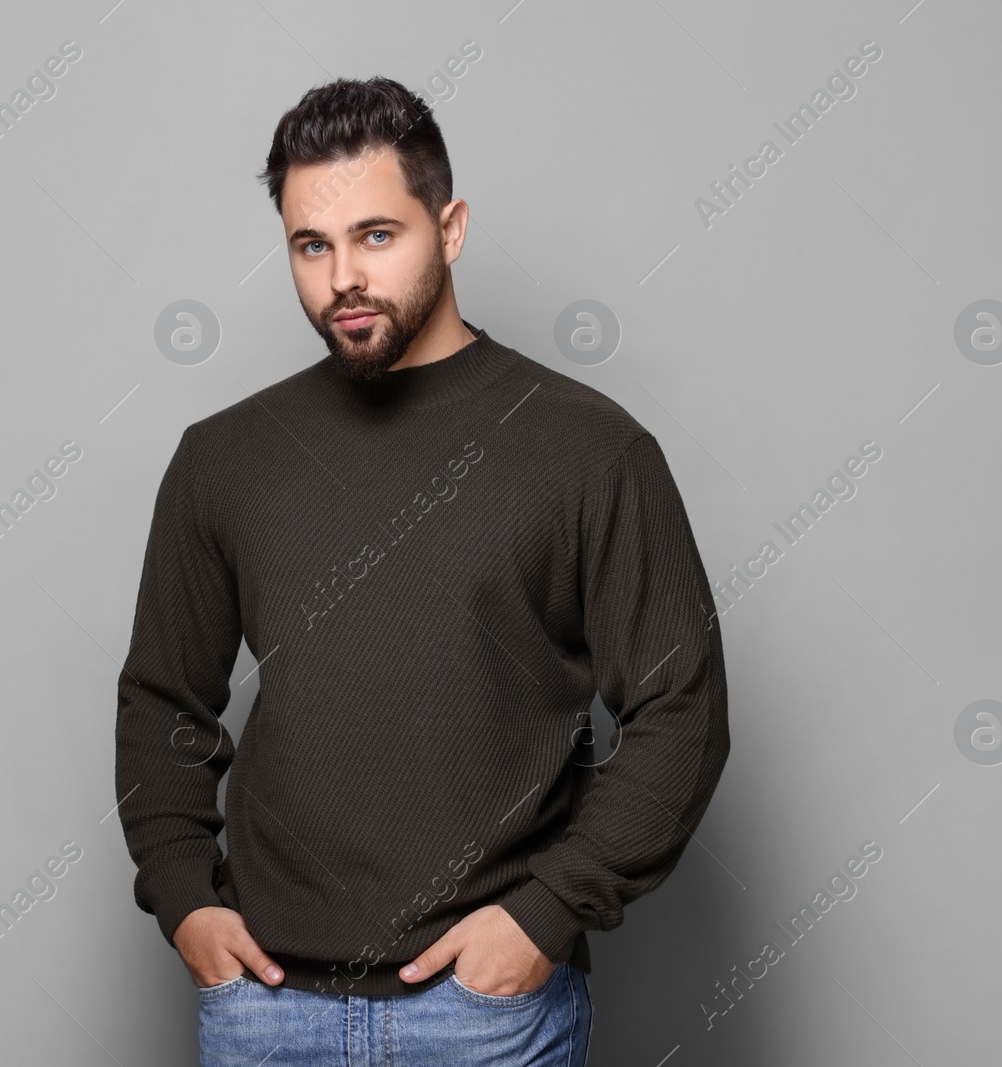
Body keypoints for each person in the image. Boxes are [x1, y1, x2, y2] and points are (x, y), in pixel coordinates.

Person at [115, 75, 730, 1066]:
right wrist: (185, 896)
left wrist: (542, 917)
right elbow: (160, 700)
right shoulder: (225, 457)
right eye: (310, 246)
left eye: (376, 235)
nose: (341, 276)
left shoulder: (585, 449)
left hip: (485, 1014)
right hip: (266, 1010)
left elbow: (681, 708)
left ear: (449, 227)